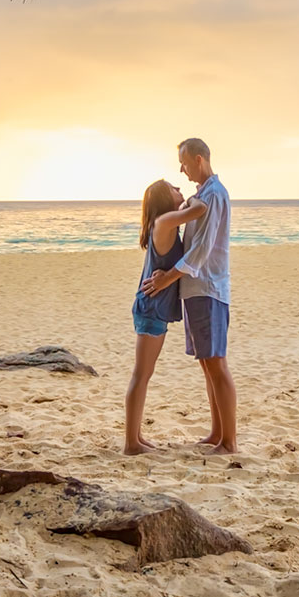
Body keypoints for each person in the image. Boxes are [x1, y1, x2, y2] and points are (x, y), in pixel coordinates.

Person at [139, 137, 236, 454]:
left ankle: (229, 442)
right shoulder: (200, 196)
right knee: (207, 365)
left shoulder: (214, 195)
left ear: (198, 159)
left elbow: (201, 252)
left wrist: (167, 278)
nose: (181, 170)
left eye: (183, 162)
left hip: (208, 289)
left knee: (216, 364)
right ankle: (216, 433)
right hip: (195, 291)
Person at [124, 179, 187, 455]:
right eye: (175, 188)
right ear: (165, 198)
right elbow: (199, 210)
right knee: (141, 375)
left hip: (153, 308)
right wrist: (200, 196)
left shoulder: (162, 223)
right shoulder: (164, 222)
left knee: (144, 374)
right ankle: (131, 443)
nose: (181, 190)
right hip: (151, 309)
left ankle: (136, 437)